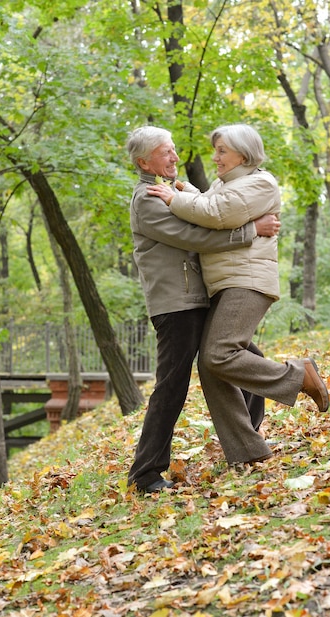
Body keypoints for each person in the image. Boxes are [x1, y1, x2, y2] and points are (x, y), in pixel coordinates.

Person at [146, 123, 329, 467]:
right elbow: (212, 203)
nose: (215, 157)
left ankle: (298, 375)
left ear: (243, 155)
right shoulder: (225, 183)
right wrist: (187, 191)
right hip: (227, 282)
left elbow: (217, 214)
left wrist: (175, 198)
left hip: (247, 280)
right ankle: (247, 451)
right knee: (213, 367)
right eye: (215, 150)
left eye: (221, 152)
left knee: (218, 355)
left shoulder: (261, 183)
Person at [126, 125, 281, 493]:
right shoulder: (148, 198)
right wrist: (252, 230)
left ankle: (249, 434)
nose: (176, 157)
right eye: (166, 152)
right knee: (171, 385)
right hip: (176, 304)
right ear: (144, 161)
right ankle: (145, 472)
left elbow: (205, 209)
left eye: (174, 149)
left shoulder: (171, 190)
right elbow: (193, 235)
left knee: (238, 355)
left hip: (197, 295)